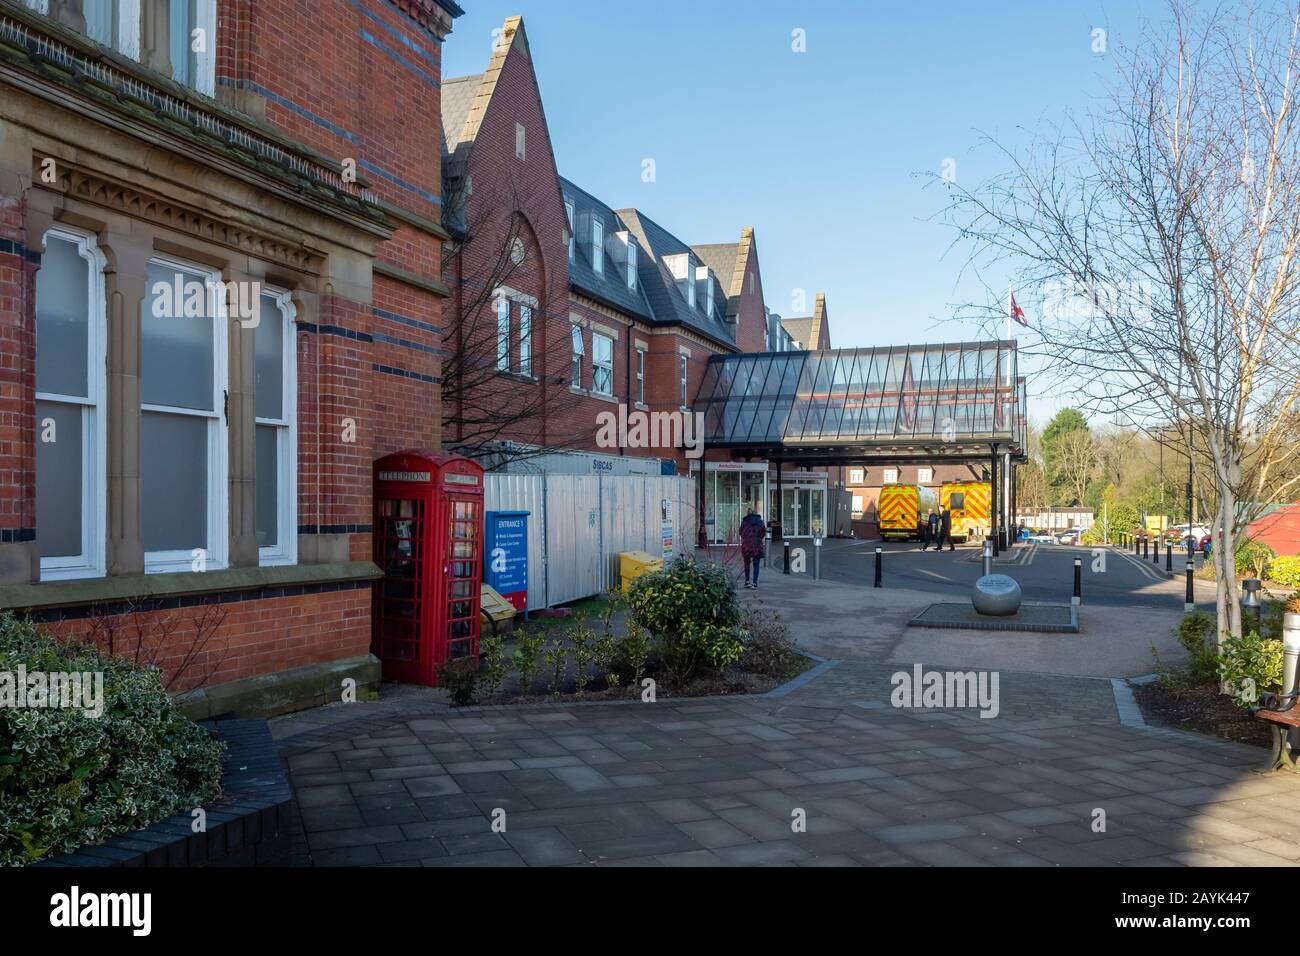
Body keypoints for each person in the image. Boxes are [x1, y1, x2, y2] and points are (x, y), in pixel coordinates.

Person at [739, 504, 766, 590]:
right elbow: (763, 533)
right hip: (757, 545)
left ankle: (747, 581)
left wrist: (746, 538)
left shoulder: (744, 522)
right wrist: (758, 538)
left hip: (747, 544)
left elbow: (741, 532)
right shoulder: (760, 522)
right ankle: (754, 583)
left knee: (747, 563)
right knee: (756, 564)